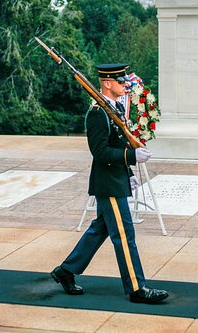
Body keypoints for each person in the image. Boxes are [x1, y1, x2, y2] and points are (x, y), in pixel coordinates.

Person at [51, 63, 169, 304]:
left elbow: (116, 144)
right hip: (108, 184)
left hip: (116, 179)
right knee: (124, 235)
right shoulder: (97, 113)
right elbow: (100, 152)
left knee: (99, 230)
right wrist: (131, 156)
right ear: (107, 83)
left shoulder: (111, 109)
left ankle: (66, 271)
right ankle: (137, 288)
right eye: (121, 81)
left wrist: (128, 172)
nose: (126, 85)